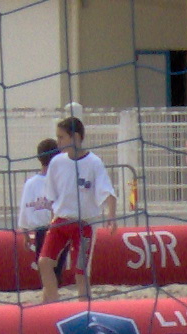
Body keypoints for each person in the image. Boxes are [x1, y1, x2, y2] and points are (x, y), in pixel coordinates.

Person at [36, 116, 115, 304]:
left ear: (76, 137)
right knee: (44, 263)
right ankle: (54, 306)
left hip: (84, 224)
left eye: (61, 137)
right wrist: (51, 218)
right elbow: (52, 195)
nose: (58, 142)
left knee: (81, 272)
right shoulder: (57, 162)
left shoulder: (94, 162)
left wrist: (111, 216)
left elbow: (108, 192)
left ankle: (84, 310)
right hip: (61, 220)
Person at [18, 139, 68, 287]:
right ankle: (55, 290)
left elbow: (25, 209)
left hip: (43, 230)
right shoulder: (61, 180)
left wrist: (25, 233)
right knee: (56, 266)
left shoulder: (31, 183)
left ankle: (50, 293)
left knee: (45, 267)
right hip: (58, 228)